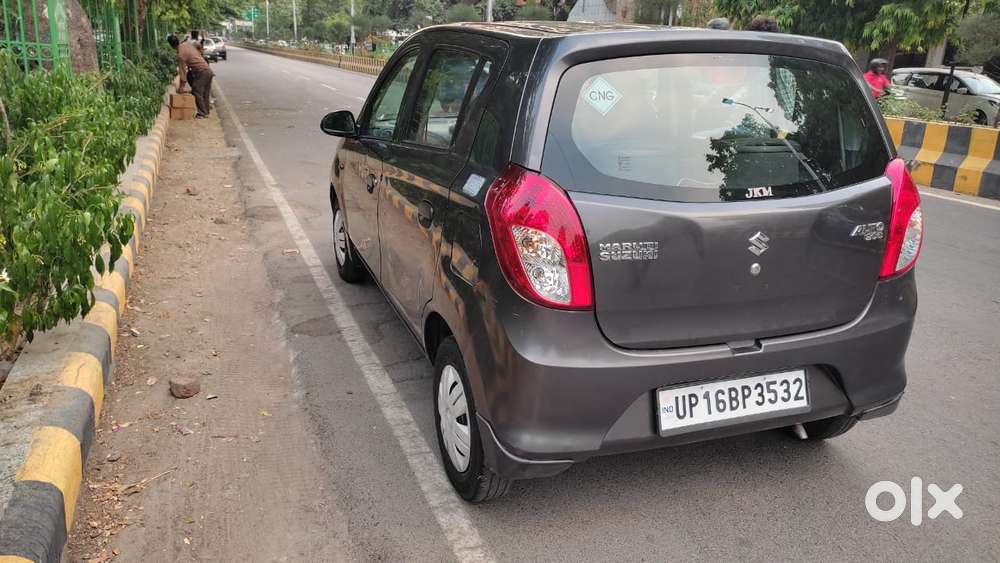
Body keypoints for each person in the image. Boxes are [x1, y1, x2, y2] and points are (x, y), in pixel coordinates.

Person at [168, 34, 214, 119]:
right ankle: (206, 111)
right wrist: (200, 52)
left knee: (196, 90)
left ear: (171, 46)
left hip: (202, 72)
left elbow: (182, 73)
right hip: (208, 70)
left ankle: (202, 113)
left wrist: (181, 88)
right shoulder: (186, 44)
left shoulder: (180, 55)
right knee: (205, 92)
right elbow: (197, 44)